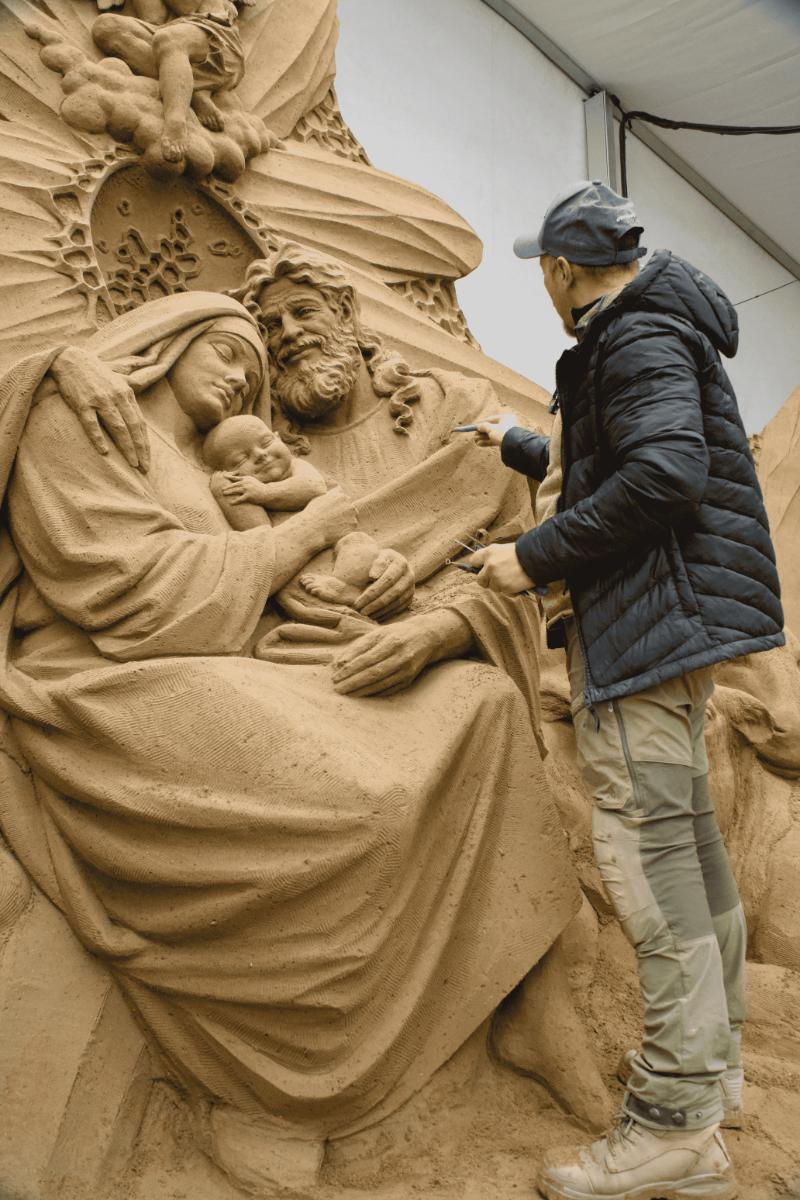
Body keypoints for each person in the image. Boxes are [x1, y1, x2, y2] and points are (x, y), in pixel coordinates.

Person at [0, 290, 579, 1190]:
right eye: (229, 349)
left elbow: (257, 581)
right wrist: (310, 531)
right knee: (368, 801)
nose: (243, 378)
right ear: (166, 336)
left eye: (254, 373)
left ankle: (530, 1010)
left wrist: (351, 590)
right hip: (106, 680)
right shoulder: (81, 409)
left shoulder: (208, 468)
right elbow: (138, 598)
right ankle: (275, 1092)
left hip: (221, 656)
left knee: (479, 704)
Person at [469, 180, 784, 1200]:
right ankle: (712, 1073)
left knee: (651, 875)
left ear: (562, 270)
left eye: (543, 271)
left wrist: (528, 557)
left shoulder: (632, 339)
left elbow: (659, 478)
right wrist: (517, 447)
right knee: (686, 854)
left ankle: (673, 1128)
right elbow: (617, 461)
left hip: (645, 634)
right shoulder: (651, 331)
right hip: (668, 631)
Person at [92, 0, 249, 161]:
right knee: (106, 26)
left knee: (169, 39)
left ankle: (176, 122)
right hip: (172, 33)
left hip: (215, 34)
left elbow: (186, 6)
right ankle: (190, 90)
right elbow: (154, 18)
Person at [202, 413, 328, 529]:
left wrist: (264, 492)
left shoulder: (295, 465)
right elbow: (260, 532)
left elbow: (315, 487)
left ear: (278, 438)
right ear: (229, 473)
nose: (260, 454)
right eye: (241, 459)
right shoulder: (246, 490)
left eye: (266, 442)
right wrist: (224, 490)